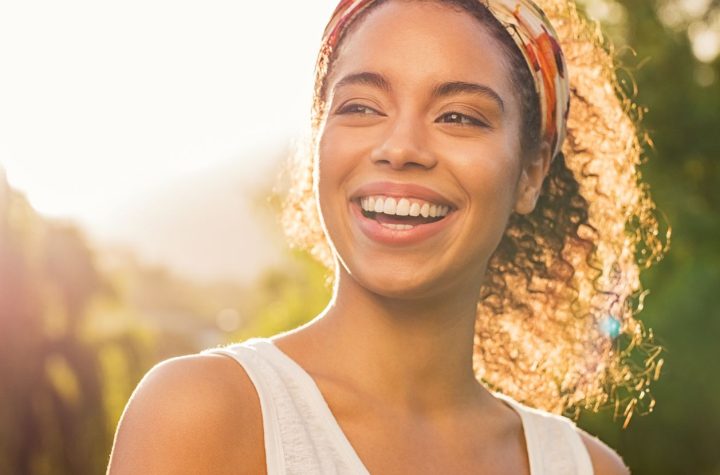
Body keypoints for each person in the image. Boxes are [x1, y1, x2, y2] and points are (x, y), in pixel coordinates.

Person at [108, 0, 666, 473]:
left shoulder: (583, 467)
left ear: (531, 173)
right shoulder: (200, 416)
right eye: (361, 107)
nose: (399, 147)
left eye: (459, 117)